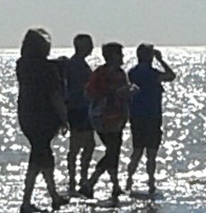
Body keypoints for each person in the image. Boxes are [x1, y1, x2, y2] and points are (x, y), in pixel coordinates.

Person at [16, 28, 69, 213]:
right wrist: (64, 118)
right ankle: (39, 198)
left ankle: (44, 196)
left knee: (40, 156)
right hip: (44, 117)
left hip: (27, 115)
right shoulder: (48, 70)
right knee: (43, 157)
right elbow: (55, 96)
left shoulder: (22, 65)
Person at [125, 43, 175, 195]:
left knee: (137, 151)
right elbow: (171, 76)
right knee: (151, 153)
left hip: (137, 116)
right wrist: (161, 60)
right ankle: (151, 181)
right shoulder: (153, 74)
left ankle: (129, 179)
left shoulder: (132, 72)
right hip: (152, 116)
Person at [85, 42, 132, 199]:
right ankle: (91, 183)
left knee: (114, 150)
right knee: (112, 150)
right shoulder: (102, 73)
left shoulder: (119, 73)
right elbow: (91, 93)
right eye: (120, 54)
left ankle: (115, 184)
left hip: (116, 116)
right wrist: (116, 92)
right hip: (104, 116)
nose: (122, 57)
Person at [64, 34, 96, 196]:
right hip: (78, 108)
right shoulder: (75, 65)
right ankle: (76, 178)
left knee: (85, 145)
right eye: (88, 45)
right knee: (79, 145)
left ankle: (79, 177)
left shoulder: (80, 64)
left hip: (82, 108)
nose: (91, 47)